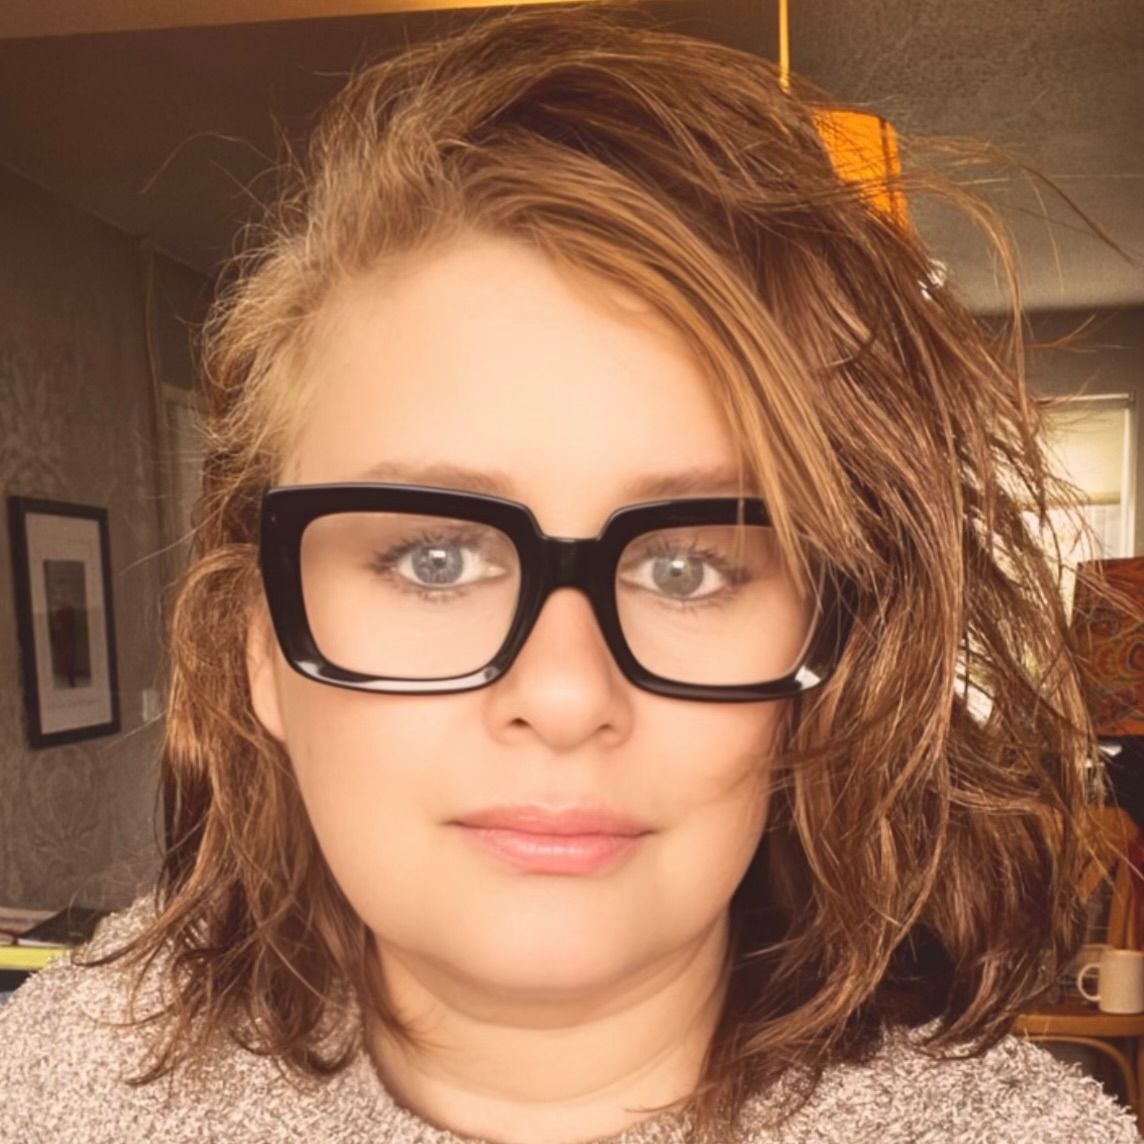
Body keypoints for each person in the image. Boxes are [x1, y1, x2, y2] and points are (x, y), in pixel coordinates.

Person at [1, 4, 1137, 1141]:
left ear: (828, 647)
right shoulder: (47, 1092)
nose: (562, 694)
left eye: (687, 569)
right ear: (260, 645)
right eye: (435, 559)